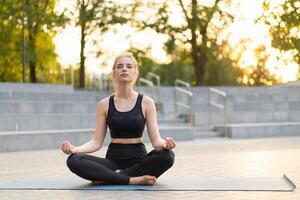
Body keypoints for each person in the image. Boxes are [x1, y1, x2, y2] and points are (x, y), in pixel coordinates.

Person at [61, 53, 176, 185]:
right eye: (119, 66)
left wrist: (165, 145)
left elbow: (156, 141)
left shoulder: (147, 102)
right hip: (112, 161)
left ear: (135, 72)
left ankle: (109, 178)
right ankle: (131, 180)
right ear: (114, 73)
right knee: (74, 160)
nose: (124, 69)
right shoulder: (104, 104)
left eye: (129, 66)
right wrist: (76, 150)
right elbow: (96, 142)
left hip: (139, 162)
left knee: (168, 156)